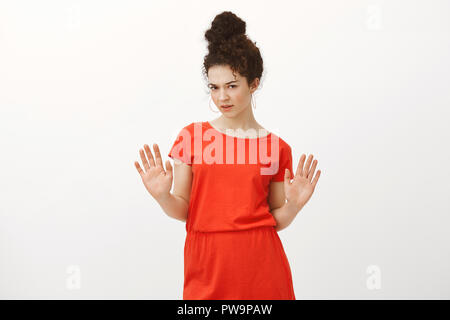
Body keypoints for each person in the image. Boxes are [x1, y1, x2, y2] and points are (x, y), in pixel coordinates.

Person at [134, 11, 321, 300]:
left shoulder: (276, 148)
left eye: (232, 86)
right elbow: (183, 209)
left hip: (262, 271)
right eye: (215, 87)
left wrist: (294, 205)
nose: (222, 97)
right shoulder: (191, 137)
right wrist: (162, 196)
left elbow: (273, 219)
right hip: (207, 268)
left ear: (254, 83)